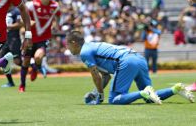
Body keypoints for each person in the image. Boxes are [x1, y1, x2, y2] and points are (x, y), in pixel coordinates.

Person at [66, 31, 194, 105]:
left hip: (126, 61)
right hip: (138, 58)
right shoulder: (91, 46)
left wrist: (100, 95)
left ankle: (144, 92)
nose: (68, 48)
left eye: (68, 45)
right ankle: (176, 89)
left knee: (114, 100)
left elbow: (96, 75)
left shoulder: (84, 52)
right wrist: (96, 92)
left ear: (74, 43)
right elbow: (105, 76)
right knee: (149, 99)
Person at [19, 0, 61, 92]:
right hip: (30, 38)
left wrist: (56, 25)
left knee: (38, 57)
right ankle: (22, 85)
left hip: (44, 38)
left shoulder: (55, 6)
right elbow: (22, 18)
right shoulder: (31, 5)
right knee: (26, 62)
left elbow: (58, 18)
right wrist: (28, 22)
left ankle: (35, 69)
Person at [0, 7, 23, 87]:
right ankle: (10, 82)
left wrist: (9, 27)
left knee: (17, 61)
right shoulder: (2, 10)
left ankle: (33, 67)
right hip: (5, 40)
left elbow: (20, 24)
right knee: (2, 61)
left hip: (14, 39)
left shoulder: (16, 11)